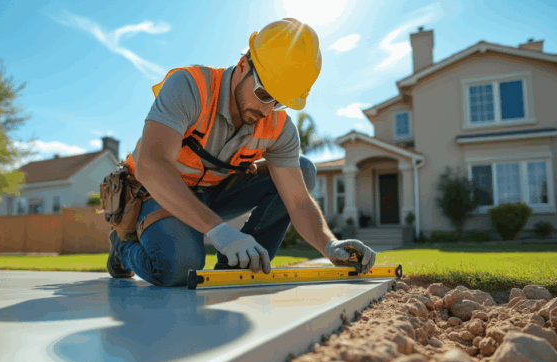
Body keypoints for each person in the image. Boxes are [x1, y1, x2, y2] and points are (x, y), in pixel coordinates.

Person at [107, 18, 377, 287]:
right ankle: (122, 249)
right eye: (263, 93)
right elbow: (151, 165)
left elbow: (298, 202)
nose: (267, 110)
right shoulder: (191, 87)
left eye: (280, 101)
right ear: (243, 65)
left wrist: (330, 244)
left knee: (303, 169)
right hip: (156, 192)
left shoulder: (279, 127)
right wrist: (219, 230)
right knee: (180, 267)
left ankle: (237, 266)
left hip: (213, 193)